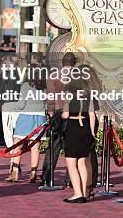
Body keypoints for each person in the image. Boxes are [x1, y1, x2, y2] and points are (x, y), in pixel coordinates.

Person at [41, 52, 76, 187]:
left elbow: (50, 95)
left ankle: (46, 177)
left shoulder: (54, 75)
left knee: (54, 146)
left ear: (63, 62)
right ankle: (70, 179)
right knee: (71, 148)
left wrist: (50, 112)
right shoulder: (78, 75)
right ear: (74, 62)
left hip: (58, 112)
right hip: (72, 112)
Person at [9, 60, 47, 183]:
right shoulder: (44, 86)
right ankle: (33, 173)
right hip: (40, 117)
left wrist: (12, 108)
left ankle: (14, 172)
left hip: (26, 116)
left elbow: (21, 104)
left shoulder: (25, 86)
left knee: (17, 145)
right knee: (35, 148)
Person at [62, 68, 96, 203]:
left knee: (71, 163)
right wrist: (92, 131)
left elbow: (66, 114)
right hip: (86, 127)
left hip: (73, 127)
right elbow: (92, 114)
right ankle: (83, 192)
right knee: (82, 162)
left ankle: (77, 193)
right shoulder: (88, 94)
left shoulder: (68, 93)